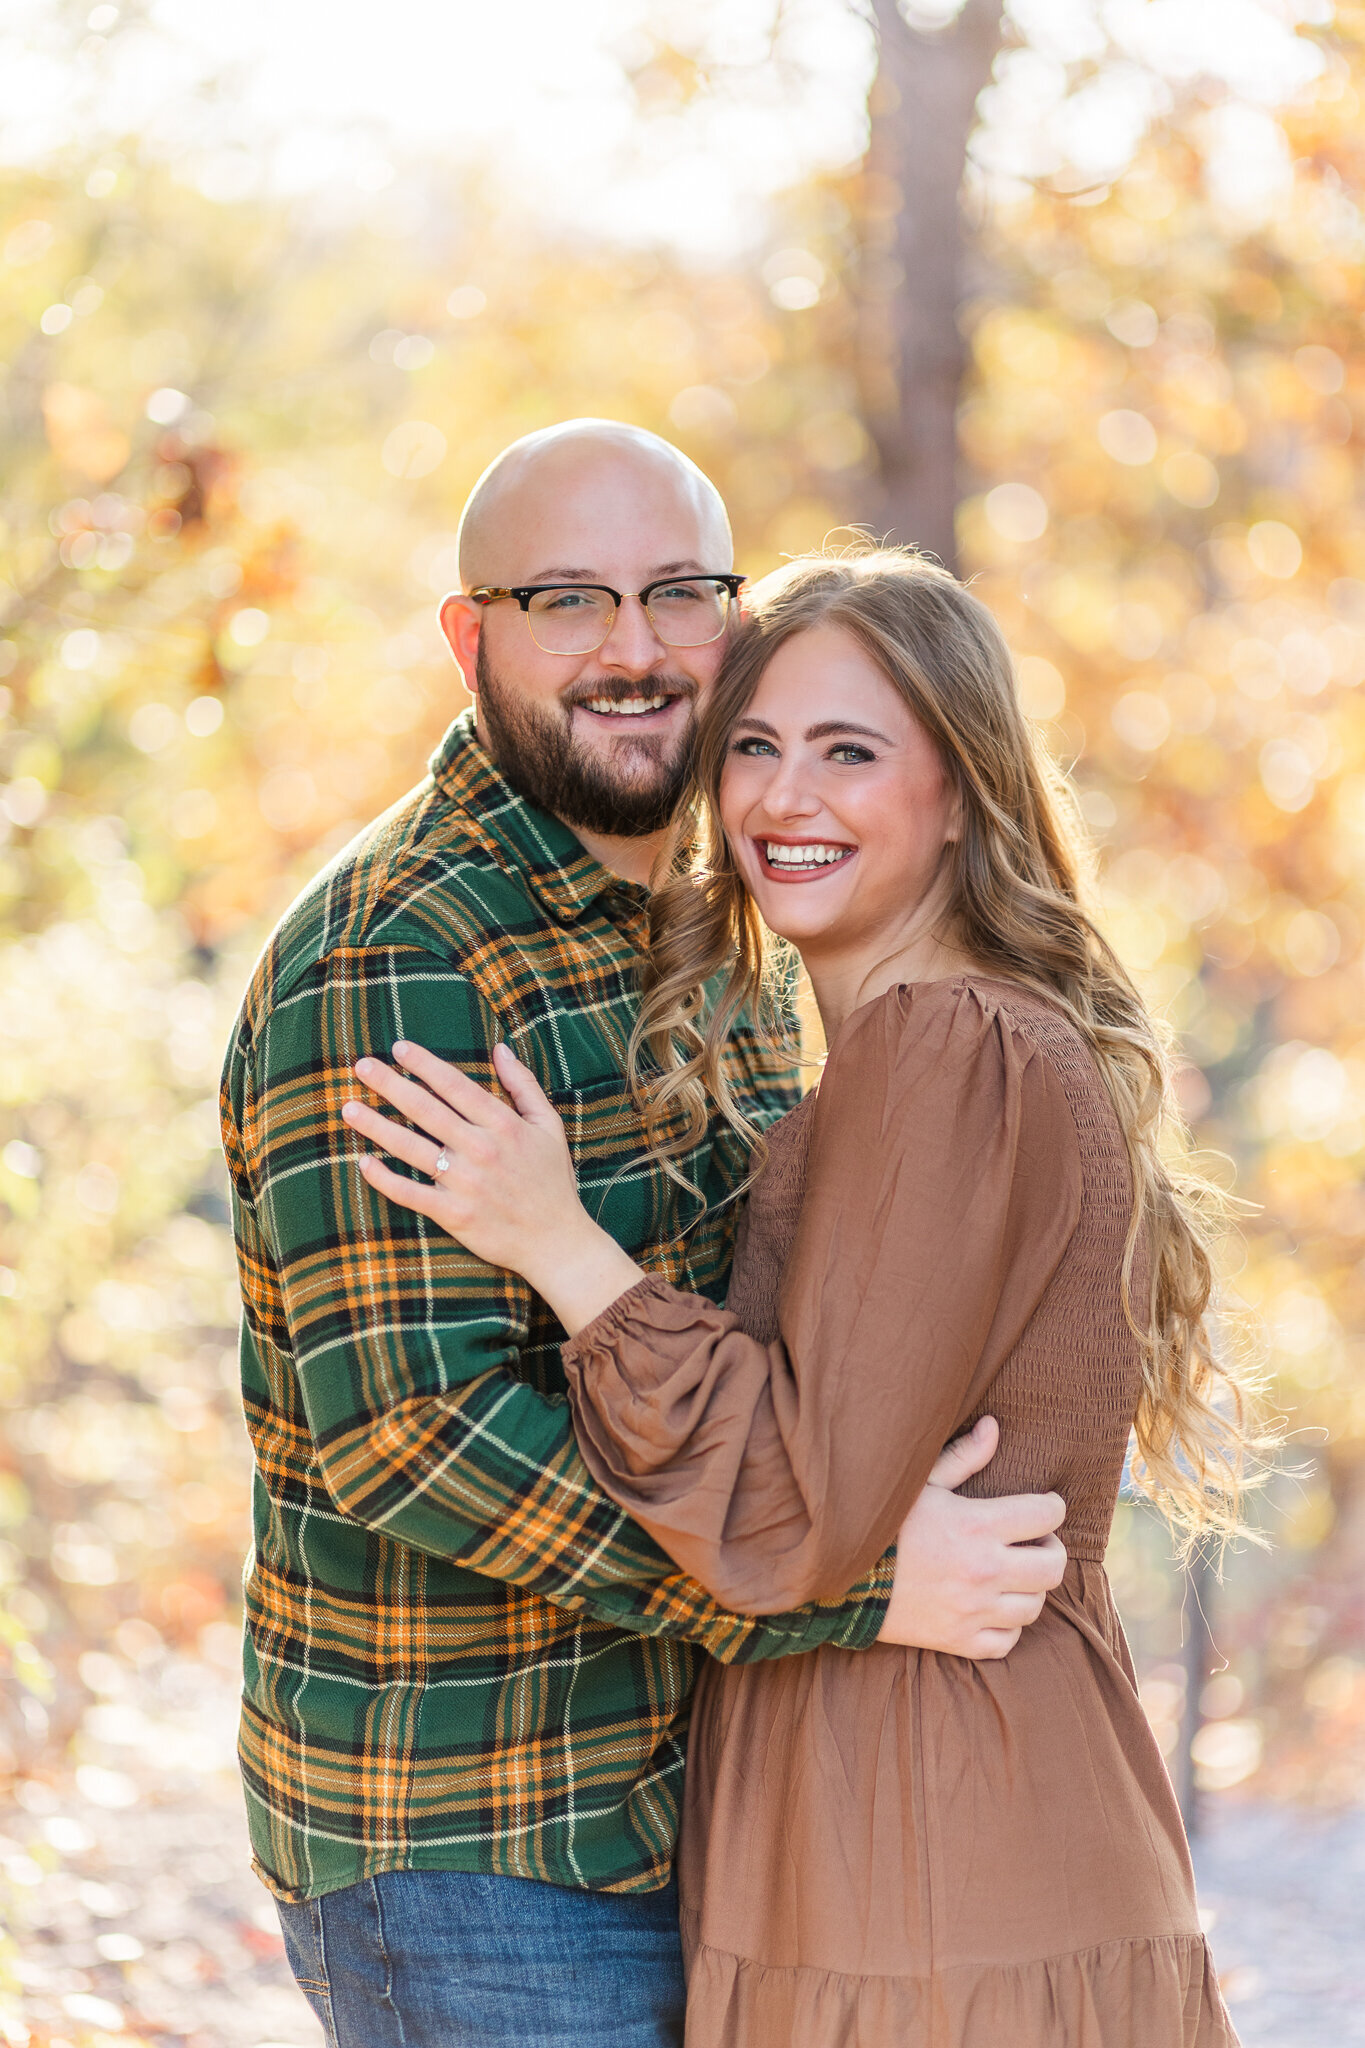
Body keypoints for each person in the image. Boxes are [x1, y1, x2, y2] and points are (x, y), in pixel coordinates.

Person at [220, 426, 1071, 2048]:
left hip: (706, 1808)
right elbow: (414, 1437)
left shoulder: (726, 914)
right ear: (471, 638)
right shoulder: (401, 954)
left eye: (678, 592)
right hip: (478, 1842)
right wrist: (847, 1595)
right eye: (567, 600)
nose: (632, 649)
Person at [348, 544, 1255, 2045]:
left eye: (849, 751)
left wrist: (557, 1243)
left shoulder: (942, 1048)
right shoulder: (909, 1055)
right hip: (922, 1822)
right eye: (753, 747)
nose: (784, 798)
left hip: (924, 1847)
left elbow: (792, 1510)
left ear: (959, 790)